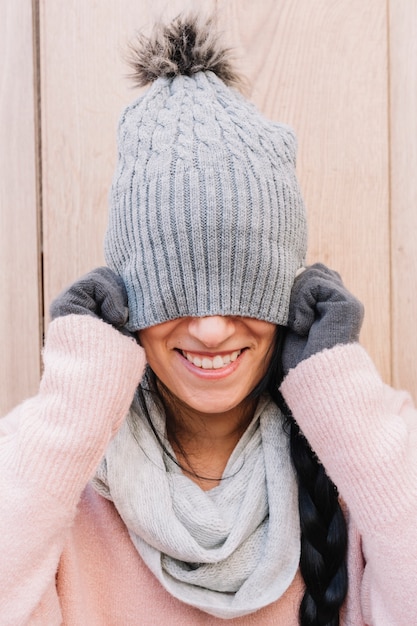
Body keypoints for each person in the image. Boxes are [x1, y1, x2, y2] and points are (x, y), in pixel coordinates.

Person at [1, 14, 416, 626]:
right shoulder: (57, 483)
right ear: (129, 301)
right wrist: (75, 403)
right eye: (174, 292)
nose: (213, 328)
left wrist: (340, 391)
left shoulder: (364, 456)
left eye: (244, 287)